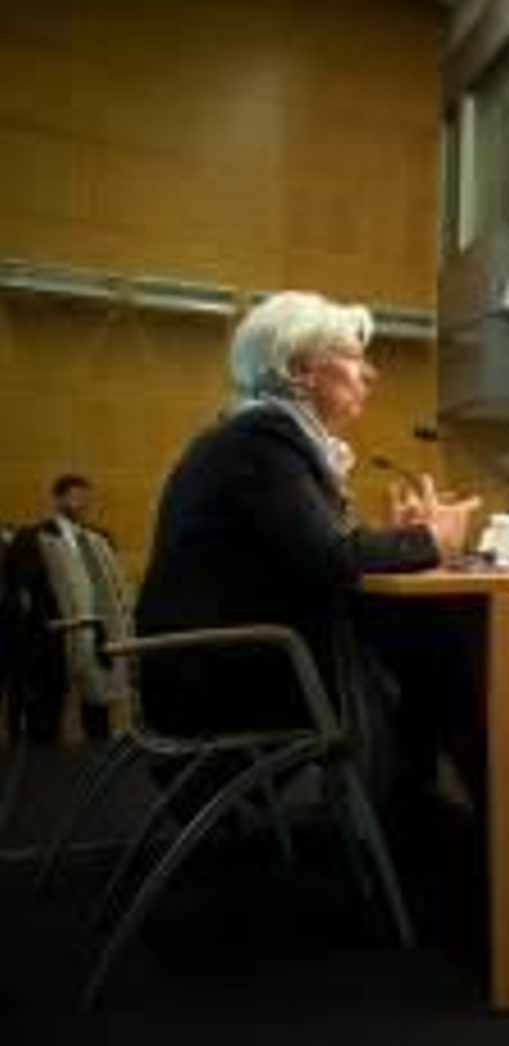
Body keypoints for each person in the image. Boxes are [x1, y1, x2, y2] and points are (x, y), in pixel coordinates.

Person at [135, 292, 480, 800]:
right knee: (436, 640)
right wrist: (430, 539)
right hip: (226, 678)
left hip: (215, 662)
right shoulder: (262, 438)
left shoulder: (254, 437)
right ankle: (474, 816)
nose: (371, 373)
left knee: (423, 640)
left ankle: (413, 803)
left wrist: (401, 538)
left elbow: (316, 551)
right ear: (300, 370)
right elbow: (332, 559)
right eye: (354, 356)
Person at [0, 474, 128, 744]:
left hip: (94, 632)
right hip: (54, 636)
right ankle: (42, 761)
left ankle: (98, 757)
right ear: (58, 500)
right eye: (75, 496)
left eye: (86, 497)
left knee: (98, 710)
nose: (82, 503)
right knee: (47, 711)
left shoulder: (99, 539)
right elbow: (20, 587)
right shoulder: (32, 537)